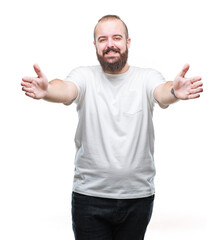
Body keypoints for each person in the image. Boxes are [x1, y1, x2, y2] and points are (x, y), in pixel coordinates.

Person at [21, 15, 203, 240]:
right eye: (102, 39)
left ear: (127, 42)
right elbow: (66, 89)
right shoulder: (84, 76)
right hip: (89, 197)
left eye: (116, 38)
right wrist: (47, 90)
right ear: (95, 45)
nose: (110, 44)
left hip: (138, 197)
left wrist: (175, 92)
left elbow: (162, 91)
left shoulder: (146, 77)